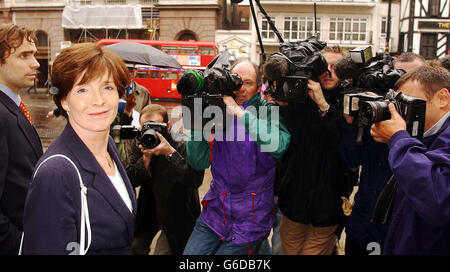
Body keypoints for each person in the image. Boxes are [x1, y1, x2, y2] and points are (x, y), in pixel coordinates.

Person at [22, 43, 136, 254]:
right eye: (83, 89)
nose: (99, 100)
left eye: (108, 87)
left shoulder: (108, 147)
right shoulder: (56, 173)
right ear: (64, 100)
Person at [183, 59, 291, 255]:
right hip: (215, 213)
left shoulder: (266, 111)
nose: (240, 87)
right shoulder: (217, 109)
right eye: (235, 80)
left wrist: (240, 113)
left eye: (248, 83)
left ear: (259, 87)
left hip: (251, 218)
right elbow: (198, 162)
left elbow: (279, 145)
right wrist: (198, 122)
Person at [341, 52, 425, 255]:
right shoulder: (379, 116)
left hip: (395, 233)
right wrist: (352, 123)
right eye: (398, 78)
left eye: (410, 79)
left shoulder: (429, 130)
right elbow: (350, 159)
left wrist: (399, 137)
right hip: (361, 226)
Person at [276, 46, 350, 255]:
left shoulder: (348, 101)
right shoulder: (298, 101)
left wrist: (323, 104)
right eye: (324, 66)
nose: (329, 72)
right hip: (294, 202)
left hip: (328, 206)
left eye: (336, 67)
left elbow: (342, 145)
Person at [370, 65, 450, 254]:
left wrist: (399, 138)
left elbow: (437, 198)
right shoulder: (425, 132)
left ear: (442, 98)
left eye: (409, 102)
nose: (403, 112)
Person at [127, 104, 204, 255]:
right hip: (150, 207)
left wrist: (170, 153)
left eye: (156, 127)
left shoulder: (182, 142)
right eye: (145, 127)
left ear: (167, 126)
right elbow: (130, 179)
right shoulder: (140, 141)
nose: (151, 132)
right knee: (135, 247)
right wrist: (145, 158)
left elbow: (193, 180)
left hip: (177, 210)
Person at [0, 24, 42, 255]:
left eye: (34, 54)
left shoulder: (13, 107)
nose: (35, 63)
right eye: (24, 55)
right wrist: (21, 246)